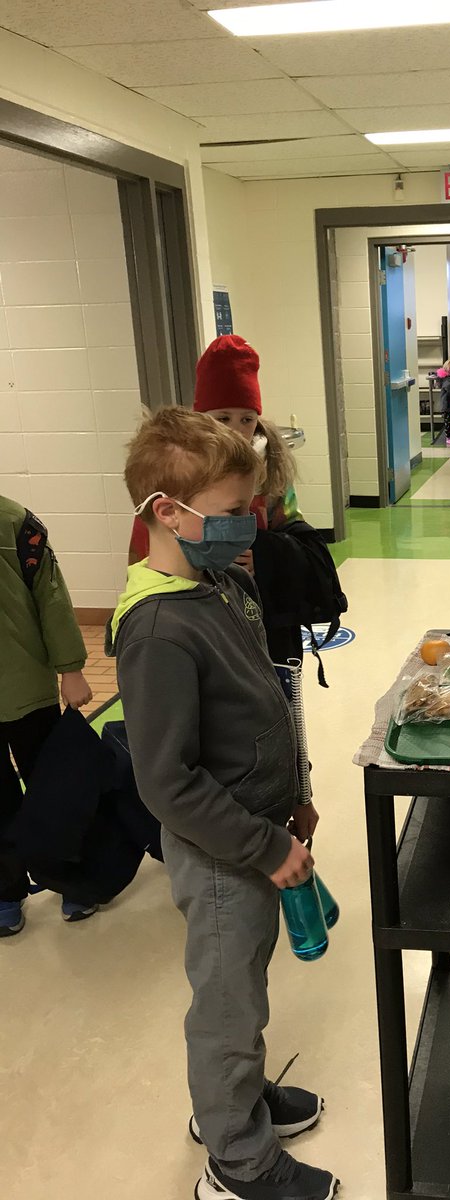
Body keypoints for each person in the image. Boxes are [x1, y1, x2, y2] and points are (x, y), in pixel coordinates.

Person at [111, 408, 338, 1200]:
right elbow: (166, 783)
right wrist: (265, 846)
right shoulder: (158, 632)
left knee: (247, 984)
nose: (253, 523)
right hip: (219, 855)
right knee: (226, 1004)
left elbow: (264, 703)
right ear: (168, 513)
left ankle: (235, 1103)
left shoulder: (223, 583)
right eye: (236, 510)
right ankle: (237, 1158)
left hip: (256, 826)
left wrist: (297, 795)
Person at [0, 496, 97, 936]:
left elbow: (51, 596)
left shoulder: (15, 523)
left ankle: (68, 877)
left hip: (24, 687)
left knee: (53, 787)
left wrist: (71, 669)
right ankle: (6, 891)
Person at [127, 335, 299, 567]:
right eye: (223, 418)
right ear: (202, 419)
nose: (236, 430)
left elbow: (295, 536)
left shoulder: (270, 471)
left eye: (247, 419)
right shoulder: (176, 470)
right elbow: (147, 549)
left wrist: (264, 557)